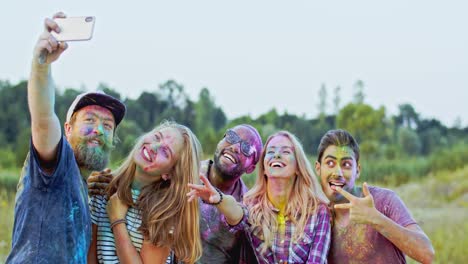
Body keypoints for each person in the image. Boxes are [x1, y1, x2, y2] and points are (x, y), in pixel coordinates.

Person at [7, 12, 126, 264]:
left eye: (107, 125)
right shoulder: (56, 164)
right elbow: (42, 118)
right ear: (67, 129)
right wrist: (41, 66)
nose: (98, 130)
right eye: (89, 120)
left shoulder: (83, 185)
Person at [87, 124, 263, 264]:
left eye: (246, 148)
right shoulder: (183, 176)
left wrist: (219, 200)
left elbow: (240, 216)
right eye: (231, 137)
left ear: (251, 168)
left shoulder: (248, 202)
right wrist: (109, 180)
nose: (235, 147)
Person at [188, 131, 331, 264]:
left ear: (298, 167)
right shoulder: (252, 205)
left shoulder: (318, 211)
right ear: (264, 167)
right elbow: (237, 214)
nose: (277, 155)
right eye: (271, 151)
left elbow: (317, 259)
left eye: (286, 151)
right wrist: (219, 198)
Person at [87, 121, 203, 264]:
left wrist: (117, 221)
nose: (154, 147)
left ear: (169, 173)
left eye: (165, 152)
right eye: (156, 137)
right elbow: (90, 257)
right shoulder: (104, 188)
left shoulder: (163, 213)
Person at [314, 129, 435, 264]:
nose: (337, 173)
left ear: (357, 170)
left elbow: (427, 254)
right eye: (330, 163)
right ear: (318, 168)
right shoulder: (315, 218)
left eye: (346, 165)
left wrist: (375, 219)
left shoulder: (384, 200)